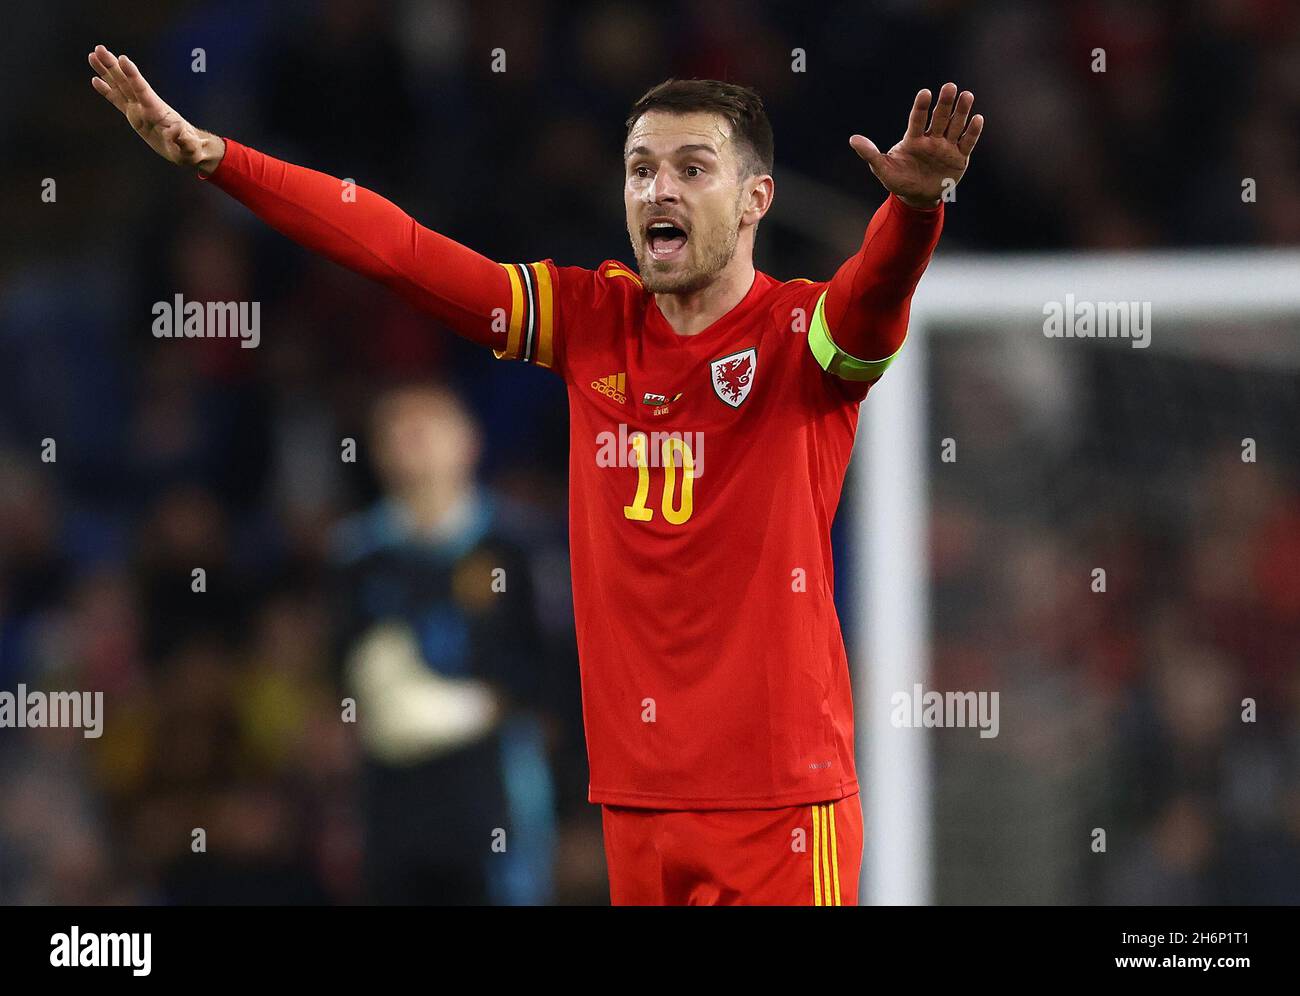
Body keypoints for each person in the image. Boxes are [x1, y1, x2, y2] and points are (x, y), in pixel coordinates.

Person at [90, 43, 983, 905]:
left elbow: (872, 300)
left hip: (781, 802)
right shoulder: (589, 318)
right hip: (637, 800)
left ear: (756, 199)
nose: (658, 189)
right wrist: (219, 160)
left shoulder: (802, 338)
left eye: (691, 168)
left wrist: (913, 212)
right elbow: (400, 250)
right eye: (639, 169)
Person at [330, 381, 555, 904]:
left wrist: (476, 707)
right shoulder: (355, 558)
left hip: (493, 789)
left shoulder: (519, 546)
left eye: (428, 427)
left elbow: (551, 674)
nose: (415, 443)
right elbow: (344, 676)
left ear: (468, 441)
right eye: (397, 432)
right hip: (393, 797)